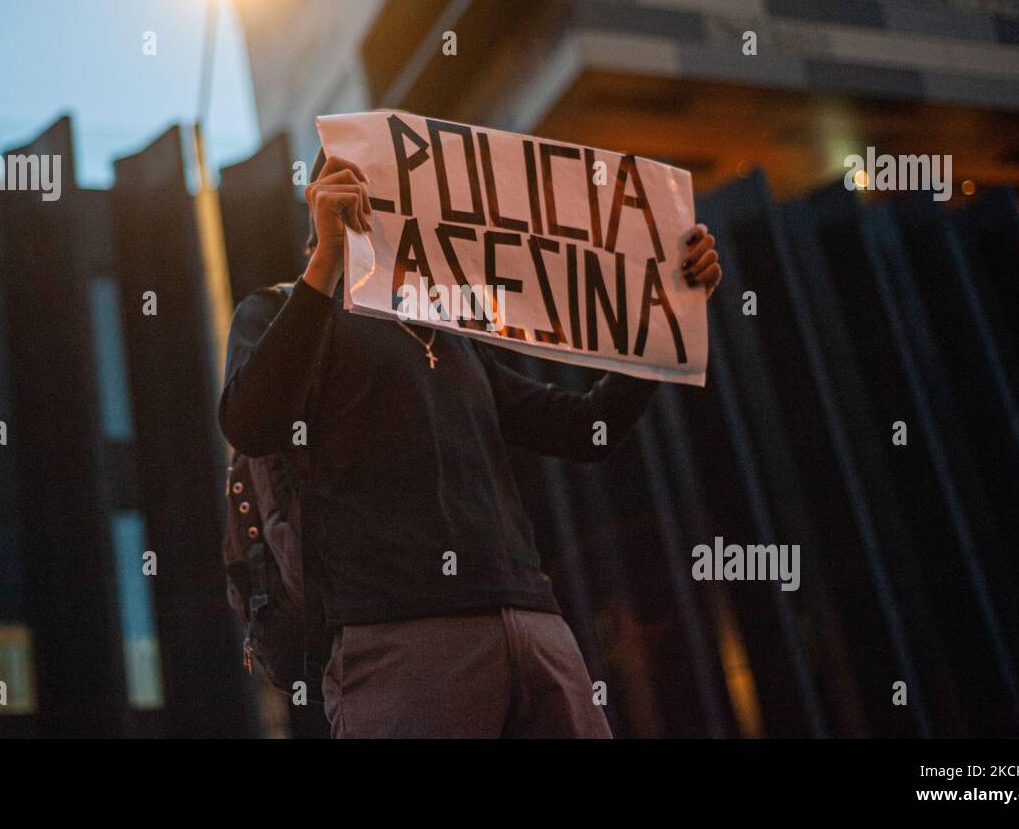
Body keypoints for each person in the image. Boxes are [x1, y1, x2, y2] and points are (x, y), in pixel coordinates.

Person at [219, 150, 722, 738]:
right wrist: (328, 262)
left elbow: (586, 430)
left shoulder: (450, 335)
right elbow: (251, 422)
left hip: (535, 626)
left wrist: (669, 315)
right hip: (398, 638)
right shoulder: (281, 308)